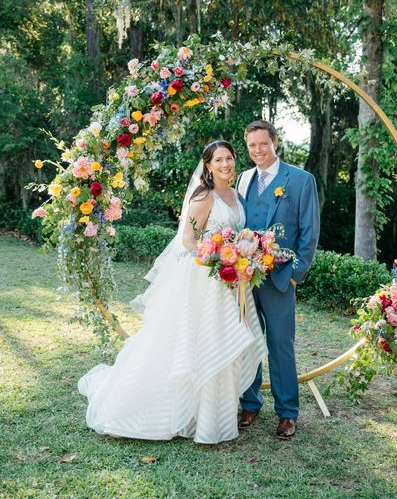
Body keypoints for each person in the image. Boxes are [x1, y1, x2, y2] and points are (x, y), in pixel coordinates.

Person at [78, 140, 267, 444]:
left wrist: (245, 248)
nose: (225, 165)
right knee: (196, 343)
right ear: (207, 165)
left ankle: (214, 414)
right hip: (208, 279)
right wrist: (217, 259)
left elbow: (237, 231)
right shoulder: (204, 196)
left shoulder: (235, 194)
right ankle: (175, 408)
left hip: (232, 284)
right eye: (218, 160)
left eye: (229, 159)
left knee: (222, 344)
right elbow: (189, 239)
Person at [237, 120, 319, 439]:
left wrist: (296, 274)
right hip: (245, 277)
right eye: (252, 146)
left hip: (281, 278)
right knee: (247, 342)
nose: (258, 150)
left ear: (275, 143)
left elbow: (309, 232)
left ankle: (287, 412)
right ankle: (250, 402)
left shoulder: (300, 180)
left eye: (263, 144)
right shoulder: (243, 180)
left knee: (280, 345)